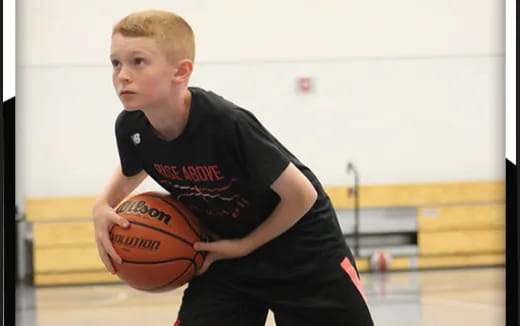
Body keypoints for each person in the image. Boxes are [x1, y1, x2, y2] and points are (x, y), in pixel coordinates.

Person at [92, 9, 373, 326]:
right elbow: (135, 165)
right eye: (116, 63)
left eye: (138, 62)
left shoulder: (223, 123)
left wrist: (246, 246)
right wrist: (102, 205)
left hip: (301, 251)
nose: (122, 75)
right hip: (224, 254)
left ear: (181, 71)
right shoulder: (131, 126)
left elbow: (301, 196)